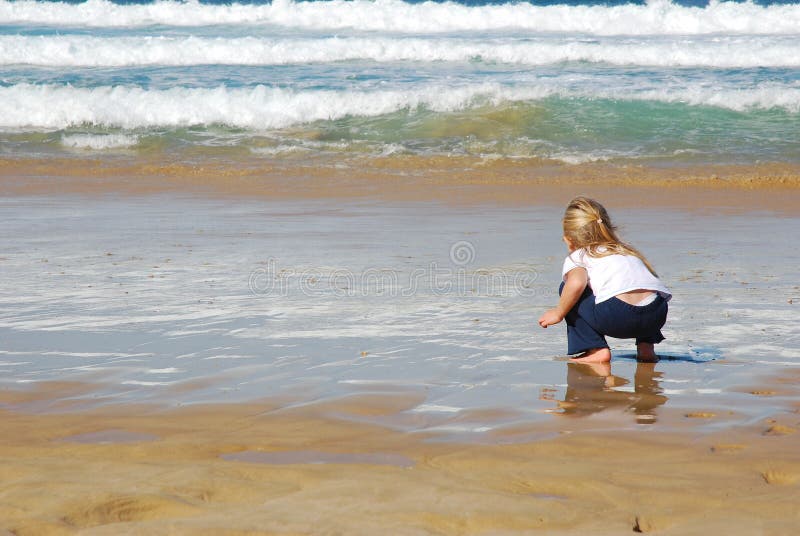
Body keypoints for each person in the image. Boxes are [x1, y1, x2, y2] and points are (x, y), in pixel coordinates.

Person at [538, 196, 671, 363]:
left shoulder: (579, 255)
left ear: (569, 239)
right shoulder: (626, 250)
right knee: (643, 290)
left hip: (617, 316)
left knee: (566, 288)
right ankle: (646, 349)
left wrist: (558, 312)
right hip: (656, 314)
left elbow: (577, 283)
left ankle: (596, 349)